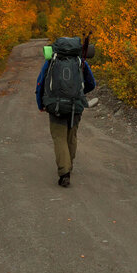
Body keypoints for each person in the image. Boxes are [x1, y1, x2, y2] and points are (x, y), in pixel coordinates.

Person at [36, 37, 96, 187]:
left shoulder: (52, 61)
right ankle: (69, 164)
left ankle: (64, 173)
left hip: (55, 106)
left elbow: (41, 83)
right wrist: (79, 94)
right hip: (76, 106)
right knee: (71, 136)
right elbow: (91, 83)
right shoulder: (80, 61)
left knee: (59, 138)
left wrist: (41, 104)